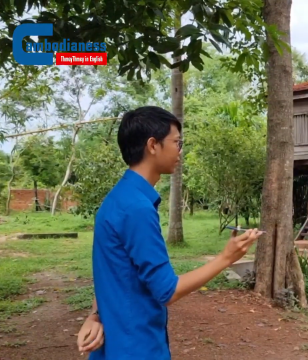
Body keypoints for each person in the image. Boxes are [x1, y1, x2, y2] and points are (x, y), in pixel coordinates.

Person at [75, 106, 263, 359]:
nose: (180, 151)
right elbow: (167, 290)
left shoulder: (118, 198)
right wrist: (226, 258)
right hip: (136, 347)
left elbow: (111, 272)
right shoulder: (136, 209)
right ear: (153, 145)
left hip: (116, 342)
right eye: (177, 142)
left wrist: (96, 314)